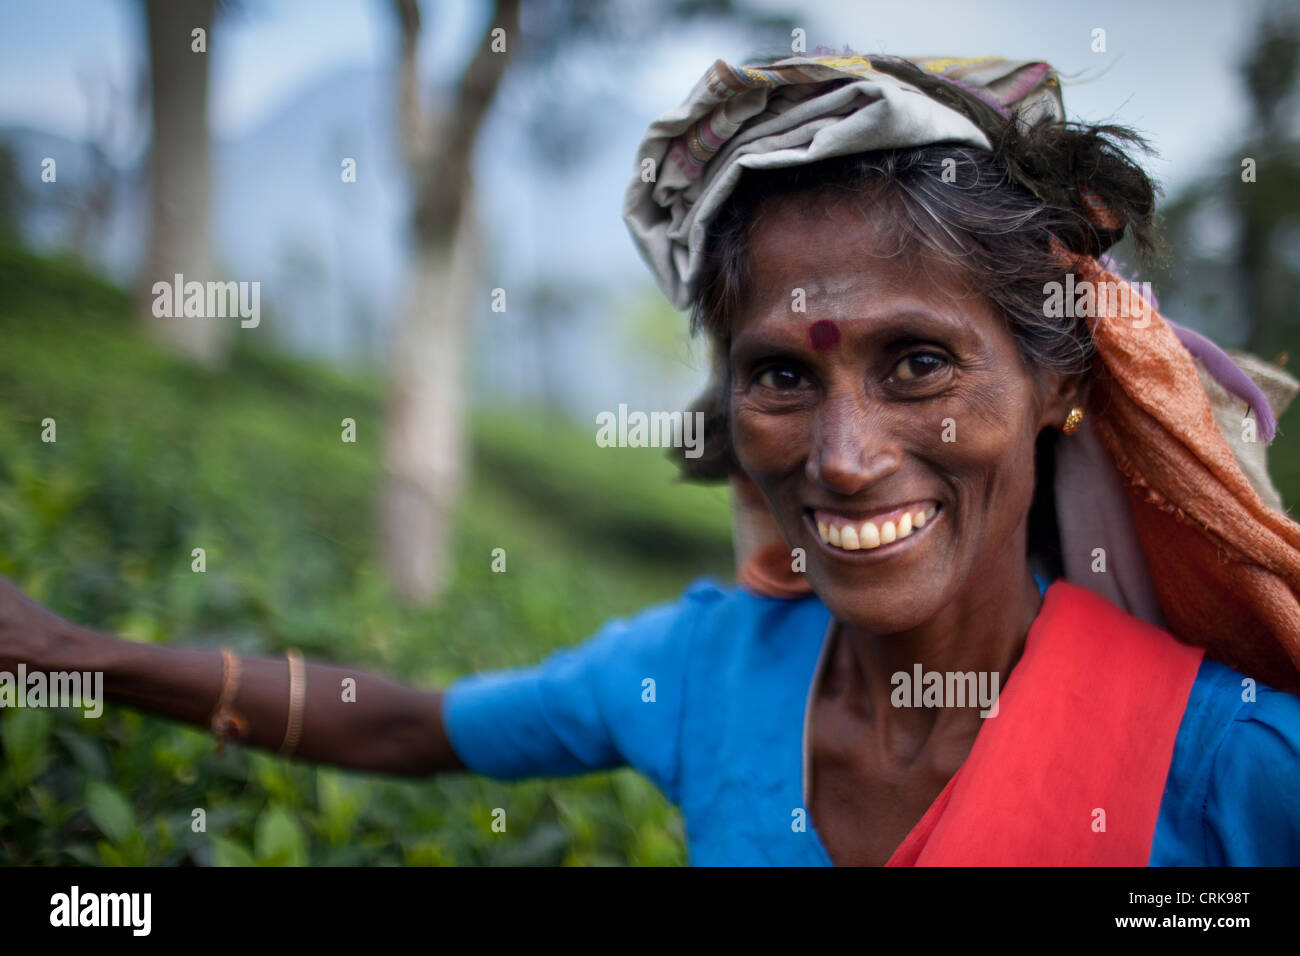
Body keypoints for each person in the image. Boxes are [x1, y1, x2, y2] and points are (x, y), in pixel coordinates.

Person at [3, 52, 1299, 866]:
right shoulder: (705, 675)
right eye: (783, 376)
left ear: (1057, 382)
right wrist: (68, 656)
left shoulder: (1232, 766)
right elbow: (412, 727)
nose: (845, 460)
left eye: (919, 364)